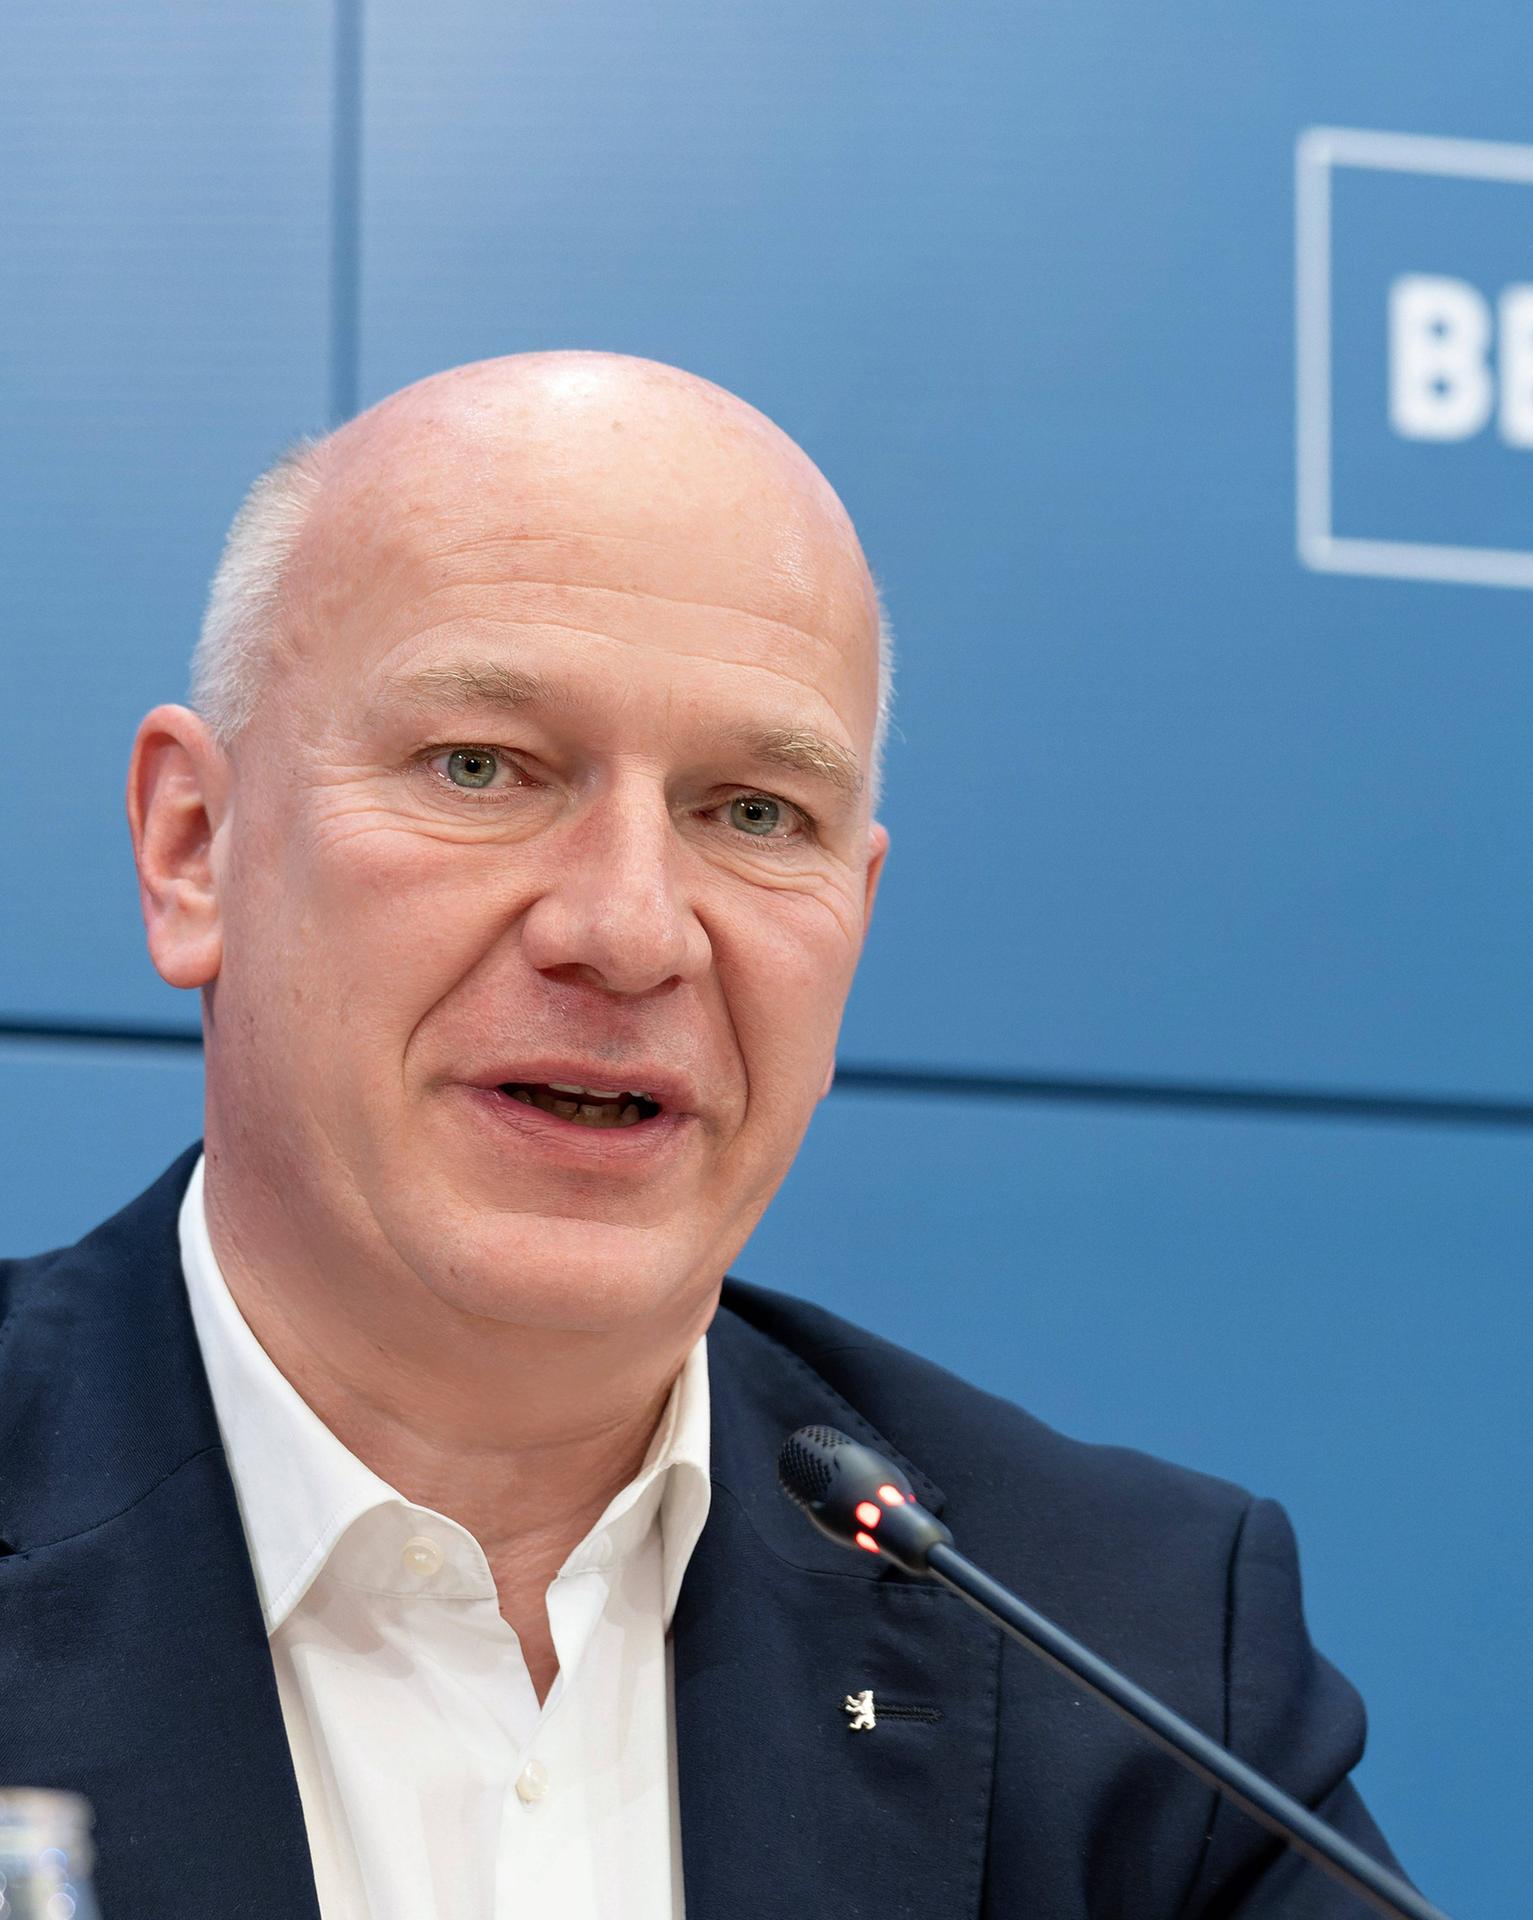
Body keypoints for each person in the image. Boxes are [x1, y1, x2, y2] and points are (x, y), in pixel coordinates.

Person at [0, 353, 1407, 1918]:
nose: (628, 931)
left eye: (752, 814)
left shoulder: (1127, 1654)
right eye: (482, 768)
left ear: (854, 917)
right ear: (195, 849)